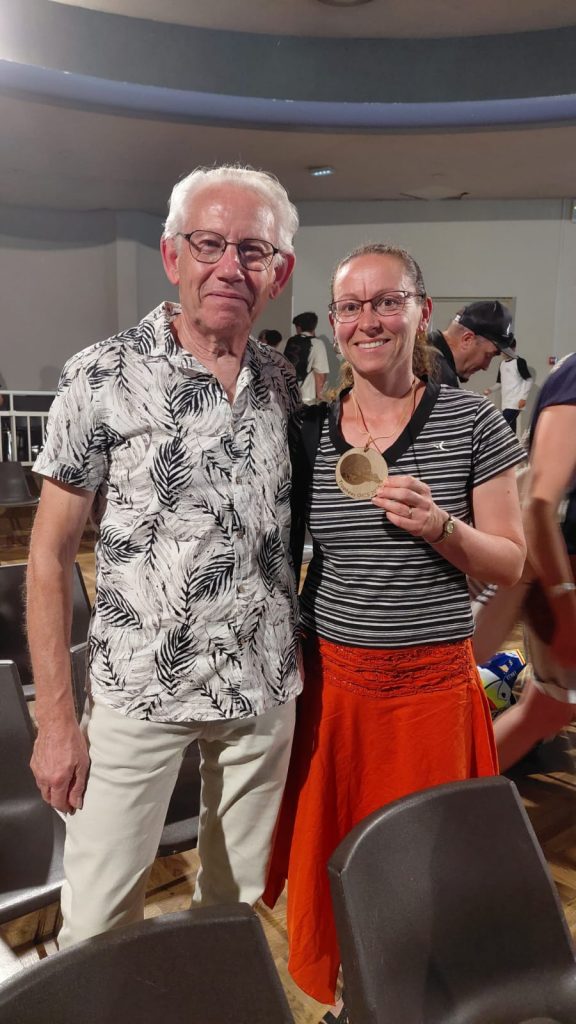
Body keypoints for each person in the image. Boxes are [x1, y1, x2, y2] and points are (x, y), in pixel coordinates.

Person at [26, 164, 302, 948]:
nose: (229, 266)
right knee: (98, 922)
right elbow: (48, 557)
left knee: (232, 911)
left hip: (261, 689)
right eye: (208, 243)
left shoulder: (281, 381)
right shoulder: (102, 374)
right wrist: (56, 721)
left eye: (252, 250)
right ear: (171, 255)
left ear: (278, 273)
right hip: (138, 690)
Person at [262, 243, 527, 1012]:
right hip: (336, 696)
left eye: (387, 301)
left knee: (428, 877)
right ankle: (357, 1002)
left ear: (422, 311)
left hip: (431, 699)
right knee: (342, 869)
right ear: (335, 321)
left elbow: (510, 562)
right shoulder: (309, 431)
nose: (368, 320)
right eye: (351, 306)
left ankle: (418, 1002)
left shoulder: (473, 421)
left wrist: (443, 527)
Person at [473, 352, 576, 771]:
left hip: (550, 564)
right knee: (546, 707)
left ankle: (444, 797)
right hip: (556, 565)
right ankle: (436, 798)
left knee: (549, 709)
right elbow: (538, 505)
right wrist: (566, 608)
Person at [429, 300, 517, 387]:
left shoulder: (426, 349)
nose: (486, 367)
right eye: (488, 355)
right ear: (467, 340)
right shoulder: (437, 374)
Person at [483, 338, 533, 434]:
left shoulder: (519, 361)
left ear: (513, 348)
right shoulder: (502, 364)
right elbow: (499, 383)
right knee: (510, 429)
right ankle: (513, 443)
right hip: (505, 403)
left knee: (504, 426)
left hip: (515, 403)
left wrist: (523, 398)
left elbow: (528, 380)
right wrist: (490, 389)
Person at [284, 310, 329, 403]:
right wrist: (321, 398)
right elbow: (320, 375)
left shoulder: (288, 342)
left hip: (287, 398)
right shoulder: (317, 344)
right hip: (306, 399)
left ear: (298, 327)